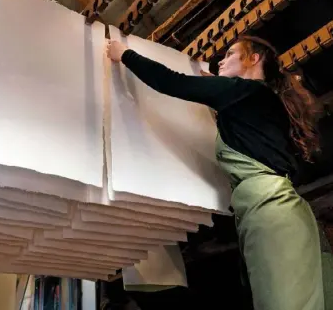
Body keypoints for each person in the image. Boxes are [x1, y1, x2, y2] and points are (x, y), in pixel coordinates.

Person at [105, 36, 324, 310]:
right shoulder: (257, 100)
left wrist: (124, 54)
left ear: (253, 59)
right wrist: (217, 92)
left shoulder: (245, 91)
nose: (221, 59)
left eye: (230, 54)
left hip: (273, 214)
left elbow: (171, 81)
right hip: (280, 213)